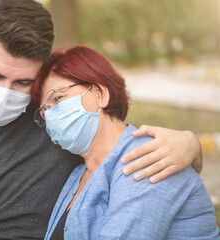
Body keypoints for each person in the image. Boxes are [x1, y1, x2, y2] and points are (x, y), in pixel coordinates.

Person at [0, 0, 203, 239]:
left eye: (22, 83)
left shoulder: (53, 123)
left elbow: (120, 146)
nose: (5, 92)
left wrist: (191, 145)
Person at [31, 45, 220, 240]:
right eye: (45, 110)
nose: (51, 116)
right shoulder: (77, 175)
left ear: (100, 94)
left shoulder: (150, 156)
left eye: (57, 98)